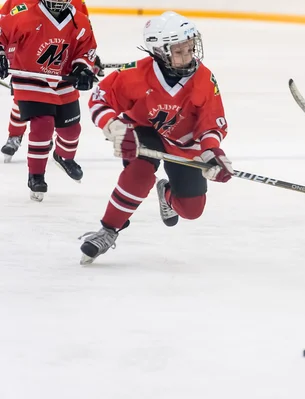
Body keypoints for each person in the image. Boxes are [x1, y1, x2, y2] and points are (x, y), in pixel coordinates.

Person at [79, 11, 233, 265]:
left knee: (192, 210)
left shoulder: (204, 79)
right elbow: (99, 98)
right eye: (179, 51)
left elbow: (210, 123)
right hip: (143, 132)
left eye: (190, 48)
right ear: (160, 52)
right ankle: (108, 230)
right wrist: (115, 128)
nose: (188, 56)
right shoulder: (136, 74)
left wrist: (212, 153)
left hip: (183, 143)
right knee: (139, 172)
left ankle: (166, 193)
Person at [0, 0, 97, 201]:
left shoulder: (79, 19)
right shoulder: (23, 13)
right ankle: (36, 175)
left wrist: (83, 67)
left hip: (62, 80)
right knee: (42, 125)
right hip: (29, 79)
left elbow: (86, 49)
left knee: (72, 131)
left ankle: (63, 156)